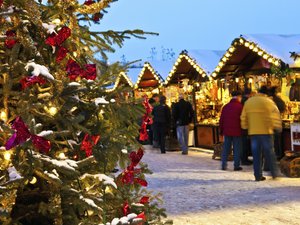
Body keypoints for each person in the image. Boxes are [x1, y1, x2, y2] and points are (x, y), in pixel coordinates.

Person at [241, 86, 282, 181]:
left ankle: (258, 175)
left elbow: (243, 117)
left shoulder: (249, 102)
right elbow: (275, 115)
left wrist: (245, 127)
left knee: (256, 155)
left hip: (253, 132)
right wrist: (277, 127)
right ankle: (274, 173)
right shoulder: (269, 102)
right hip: (266, 132)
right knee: (269, 153)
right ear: (266, 93)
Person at [219, 91, 243, 171]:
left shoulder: (225, 107)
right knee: (237, 149)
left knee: (226, 148)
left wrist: (221, 131)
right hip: (237, 131)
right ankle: (236, 165)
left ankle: (223, 164)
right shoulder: (240, 107)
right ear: (239, 97)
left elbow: (221, 120)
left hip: (227, 131)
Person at [269, 86, 286, 159]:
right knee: (277, 141)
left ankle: (275, 155)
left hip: (270, 124)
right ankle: (278, 155)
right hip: (276, 123)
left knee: (273, 142)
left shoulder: (268, 101)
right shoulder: (278, 100)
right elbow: (283, 108)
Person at [240, 88, 253, 165]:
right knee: (245, 143)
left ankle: (244, 158)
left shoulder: (242, 100)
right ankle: (244, 160)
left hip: (243, 125)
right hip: (246, 125)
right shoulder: (247, 101)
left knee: (244, 143)